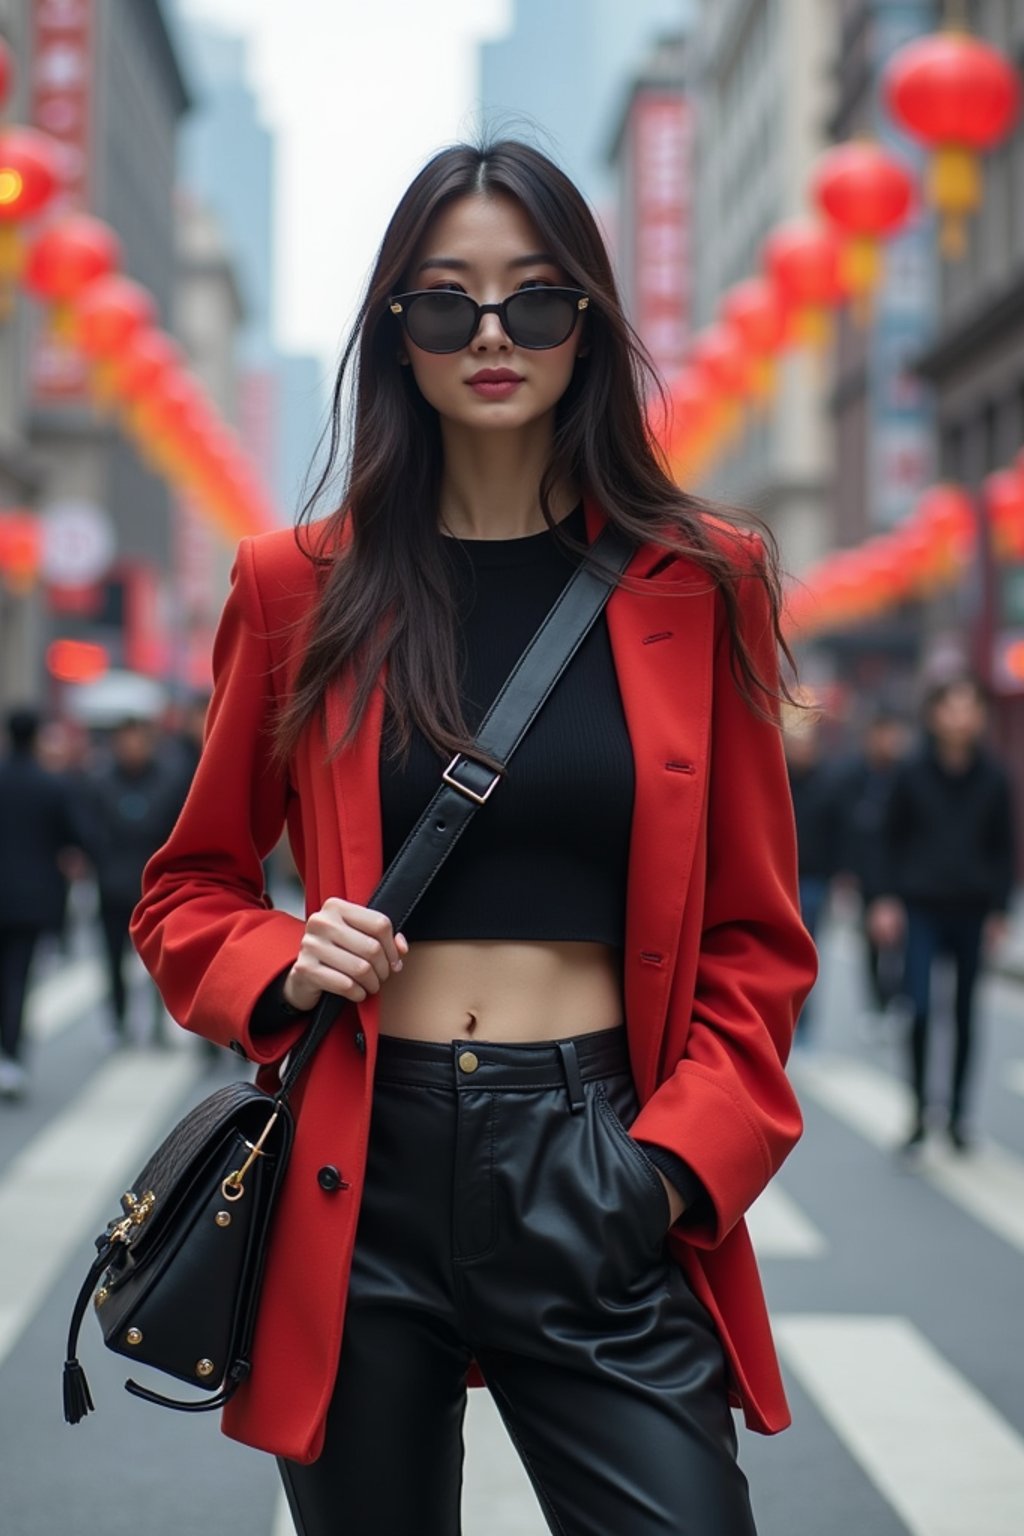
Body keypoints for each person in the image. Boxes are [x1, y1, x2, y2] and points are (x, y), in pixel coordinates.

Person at [131, 140, 817, 1536]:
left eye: (538, 301)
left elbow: (756, 939)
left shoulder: (706, 579)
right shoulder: (294, 588)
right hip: (356, 1168)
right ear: (397, 331)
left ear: (593, 324)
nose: (493, 337)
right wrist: (282, 953)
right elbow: (187, 892)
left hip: (598, 1153)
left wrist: (668, 1171)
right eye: (447, 303)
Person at [869, 676, 1015, 1153]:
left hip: (972, 909)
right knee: (922, 1008)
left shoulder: (995, 777)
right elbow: (888, 839)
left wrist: (999, 909)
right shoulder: (911, 773)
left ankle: (956, 1116)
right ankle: (917, 1112)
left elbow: (1003, 848)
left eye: (969, 708)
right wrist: (885, 898)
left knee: (966, 1014)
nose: (960, 717)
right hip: (921, 906)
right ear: (934, 716)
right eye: (951, 708)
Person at [0, 707, 85, 1099]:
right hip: (33, 899)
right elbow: (77, 837)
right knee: (18, 977)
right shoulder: (52, 786)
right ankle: (11, 1057)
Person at [85, 716, 183, 1044]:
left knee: (159, 961)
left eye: (137, 740)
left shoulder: (169, 780)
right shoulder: (99, 782)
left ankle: (158, 1022)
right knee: (113, 959)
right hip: (112, 884)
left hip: (155, 887)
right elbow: (90, 831)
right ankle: (118, 1019)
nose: (131, 748)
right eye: (125, 741)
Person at [836, 709, 910, 1024]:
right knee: (872, 938)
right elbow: (844, 825)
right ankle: (876, 998)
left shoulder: (907, 775)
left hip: (904, 870)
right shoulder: (853, 776)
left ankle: (895, 994)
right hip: (866, 870)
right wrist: (846, 868)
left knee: (903, 937)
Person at [784, 711, 844, 1041]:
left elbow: (839, 832)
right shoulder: (775, 779)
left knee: (808, 953)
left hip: (814, 882)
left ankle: (803, 1022)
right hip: (780, 881)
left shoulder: (828, 784)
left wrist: (837, 874)